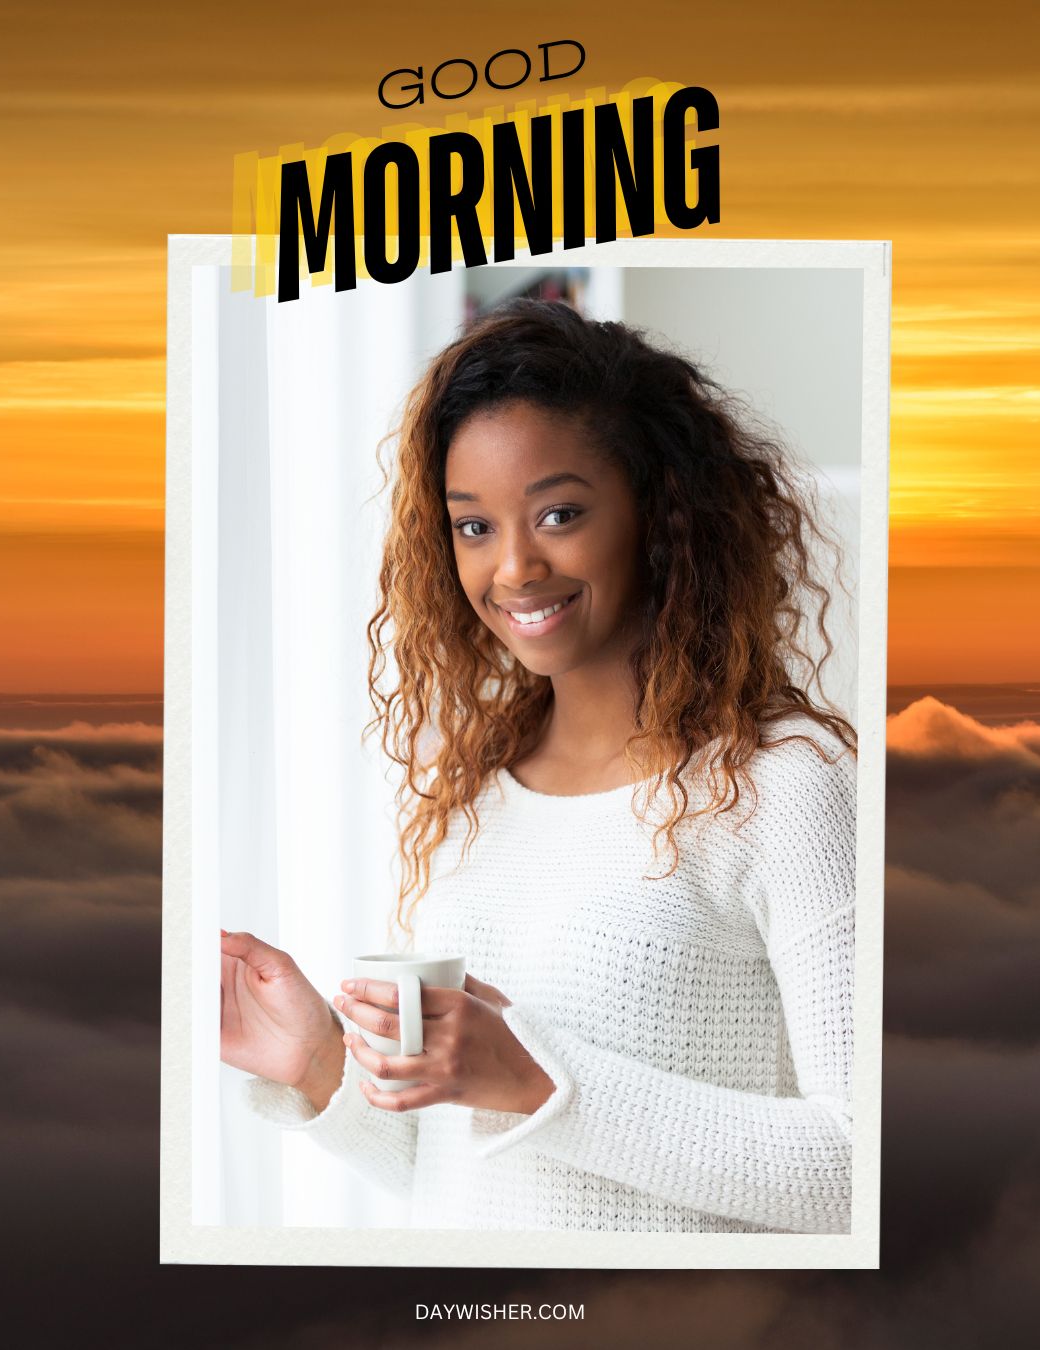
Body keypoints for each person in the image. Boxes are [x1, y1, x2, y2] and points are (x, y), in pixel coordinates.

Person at [219, 299, 857, 1234]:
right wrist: (319, 1064)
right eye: (473, 526)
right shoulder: (473, 792)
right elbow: (472, 1172)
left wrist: (535, 1073)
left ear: (662, 511)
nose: (513, 567)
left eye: (558, 513)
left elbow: (861, 1170)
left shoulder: (784, 790)